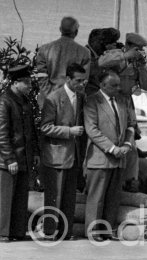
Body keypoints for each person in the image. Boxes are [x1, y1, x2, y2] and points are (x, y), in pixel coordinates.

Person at [83, 71, 136, 241]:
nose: (118, 88)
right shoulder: (92, 101)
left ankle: (107, 229)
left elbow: (130, 125)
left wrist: (127, 145)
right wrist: (112, 149)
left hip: (120, 157)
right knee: (96, 197)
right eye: (114, 85)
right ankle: (93, 231)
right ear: (103, 85)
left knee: (113, 197)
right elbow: (92, 130)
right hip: (100, 157)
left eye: (119, 85)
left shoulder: (122, 101)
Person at [99, 32, 147, 192]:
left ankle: (130, 182)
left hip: (127, 106)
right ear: (130, 45)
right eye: (138, 49)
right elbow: (102, 63)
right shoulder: (116, 54)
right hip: (110, 105)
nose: (140, 51)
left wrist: (142, 66)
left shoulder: (137, 62)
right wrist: (125, 56)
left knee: (130, 147)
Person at [39, 63, 87, 240]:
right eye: (78, 81)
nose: (82, 84)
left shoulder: (81, 97)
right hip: (56, 155)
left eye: (84, 81)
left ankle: (65, 232)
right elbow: (45, 127)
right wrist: (69, 131)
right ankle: (50, 231)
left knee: (69, 196)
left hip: (73, 155)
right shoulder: (54, 98)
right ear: (68, 79)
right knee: (54, 195)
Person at [0, 66, 40, 241]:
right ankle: (3, 232)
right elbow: (2, 134)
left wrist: (36, 153)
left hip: (24, 157)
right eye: (27, 83)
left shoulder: (25, 102)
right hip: (9, 160)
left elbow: (31, 131)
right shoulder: (5, 102)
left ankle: (17, 231)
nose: (30, 86)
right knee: (5, 198)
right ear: (16, 83)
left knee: (20, 197)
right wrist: (9, 158)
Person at [36, 16, 90, 105]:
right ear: (76, 32)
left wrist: (51, 95)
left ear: (60, 29)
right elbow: (83, 81)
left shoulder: (44, 49)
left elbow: (41, 77)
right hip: (71, 101)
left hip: (47, 101)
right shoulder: (84, 52)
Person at [85, 28, 120, 96]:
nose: (115, 44)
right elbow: (91, 71)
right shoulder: (85, 54)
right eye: (112, 42)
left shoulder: (103, 54)